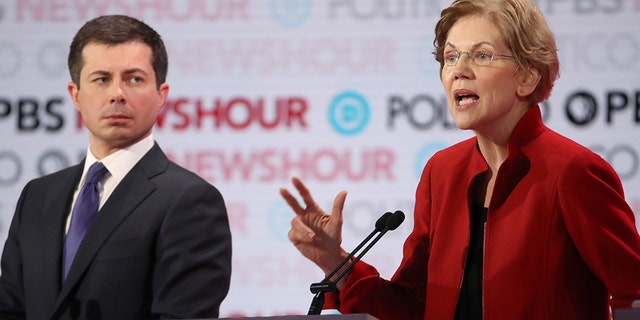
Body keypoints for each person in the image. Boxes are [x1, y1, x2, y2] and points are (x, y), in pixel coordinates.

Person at [280, 0, 640, 319]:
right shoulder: (442, 172)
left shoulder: (572, 171)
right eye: (451, 57)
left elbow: (634, 295)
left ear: (528, 76)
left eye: (481, 55)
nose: (458, 70)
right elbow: (412, 306)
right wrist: (334, 260)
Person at [0, 15, 232, 319]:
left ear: (161, 95)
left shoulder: (190, 201)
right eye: (102, 79)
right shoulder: (37, 196)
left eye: (134, 79)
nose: (117, 93)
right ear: (76, 95)